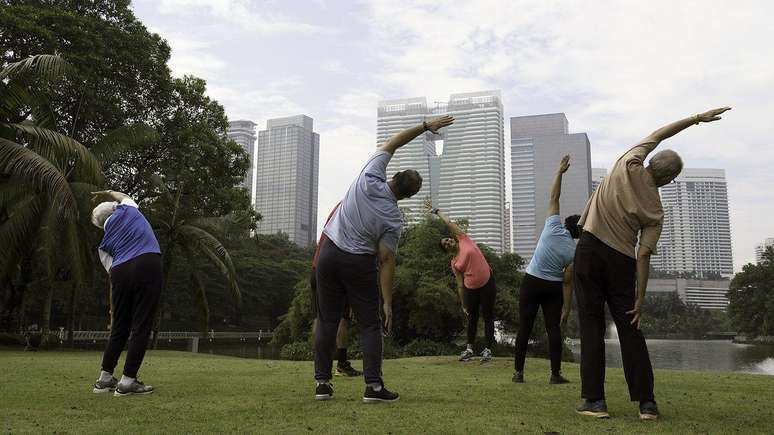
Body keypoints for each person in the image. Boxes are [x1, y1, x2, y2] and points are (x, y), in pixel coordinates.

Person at [573, 107, 731, 420]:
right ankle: (647, 404)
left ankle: (595, 402)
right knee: (630, 330)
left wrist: (695, 118)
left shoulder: (628, 161)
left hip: (590, 251)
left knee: (591, 327)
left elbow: (660, 133)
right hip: (622, 262)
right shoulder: (656, 210)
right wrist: (640, 299)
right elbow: (643, 255)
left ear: (651, 160)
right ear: (670, 178)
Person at [314, 115, 455, 403]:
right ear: (408, 196)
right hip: (358, 263)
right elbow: (387, 259)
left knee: (327, 321)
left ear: (393, 174)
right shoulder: (393, 218)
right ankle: (374, 388)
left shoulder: (369, 175)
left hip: (328, 254)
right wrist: (387, 301)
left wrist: (426, 127)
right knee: (369, 324)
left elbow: (394, 142)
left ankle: (322, 385)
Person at [512, 155, 579, 384]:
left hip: (531, 282)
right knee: (554, 330)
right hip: (552, 287)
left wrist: (559, 172)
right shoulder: (573, 252)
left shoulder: (552, 226)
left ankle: (518, 373)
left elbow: (554, 196)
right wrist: (567, 309)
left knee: (525, 328)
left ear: (564, 223)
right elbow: (568, 281)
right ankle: (555, 374)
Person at [90, 190, 163, 396]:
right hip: (147, 262)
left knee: (120, 327)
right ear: (114, 208)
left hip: (120, 272)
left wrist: (114, 308)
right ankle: (128, 381)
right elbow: (122, 196)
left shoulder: (103, 245)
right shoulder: (128, 210)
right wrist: (108, 192)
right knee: (141, 324)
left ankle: (104, 380)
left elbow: (112, 275)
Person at [427, 200, 497, 363]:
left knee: (488, 316)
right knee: (472, 318)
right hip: (471, 288)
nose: (448, 241)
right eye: (445, 244)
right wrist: (463, 303)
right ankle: (469, 350)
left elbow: (449, 222)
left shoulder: (464, 239)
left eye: (448, 239)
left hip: (487, 282)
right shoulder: (454, 263)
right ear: (446, 249)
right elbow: (459, 284)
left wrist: (436, 211)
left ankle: (488, 349)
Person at [311, 202, 362, 377]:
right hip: (336, 269)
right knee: (341, 320)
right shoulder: (355, 211)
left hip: (318, 267)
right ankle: (340, 364)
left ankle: (324, 367)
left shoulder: (339, 210)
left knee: (323, 318)